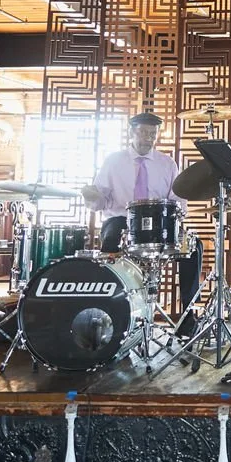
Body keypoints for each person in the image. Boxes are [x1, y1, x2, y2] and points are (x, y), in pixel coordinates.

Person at [81, 112, 202, 336]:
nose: (148, 138)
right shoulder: (113, 161)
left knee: (193, 247)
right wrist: (91, 196)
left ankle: (188, 316)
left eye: (153, 134)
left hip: (160, 224)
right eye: (144, 132)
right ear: (132, 132)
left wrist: (176, 216)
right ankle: (109, 312)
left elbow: (178, 200)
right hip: (121, 220)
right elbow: (101, 201)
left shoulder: (167, 163)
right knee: (110, 238)